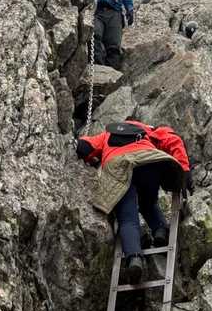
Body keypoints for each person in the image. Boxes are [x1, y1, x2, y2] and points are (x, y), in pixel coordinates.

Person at [75, 120, 191, 283]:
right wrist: (185, 170)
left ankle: (134, 259)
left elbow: (85, 146)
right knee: (148, 203)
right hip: (148, 161)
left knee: (127, 219)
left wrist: (80, 148)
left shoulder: (107, 134)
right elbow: (173, 139)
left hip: (119, 166)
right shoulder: (146, 130)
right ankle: (160, 231)